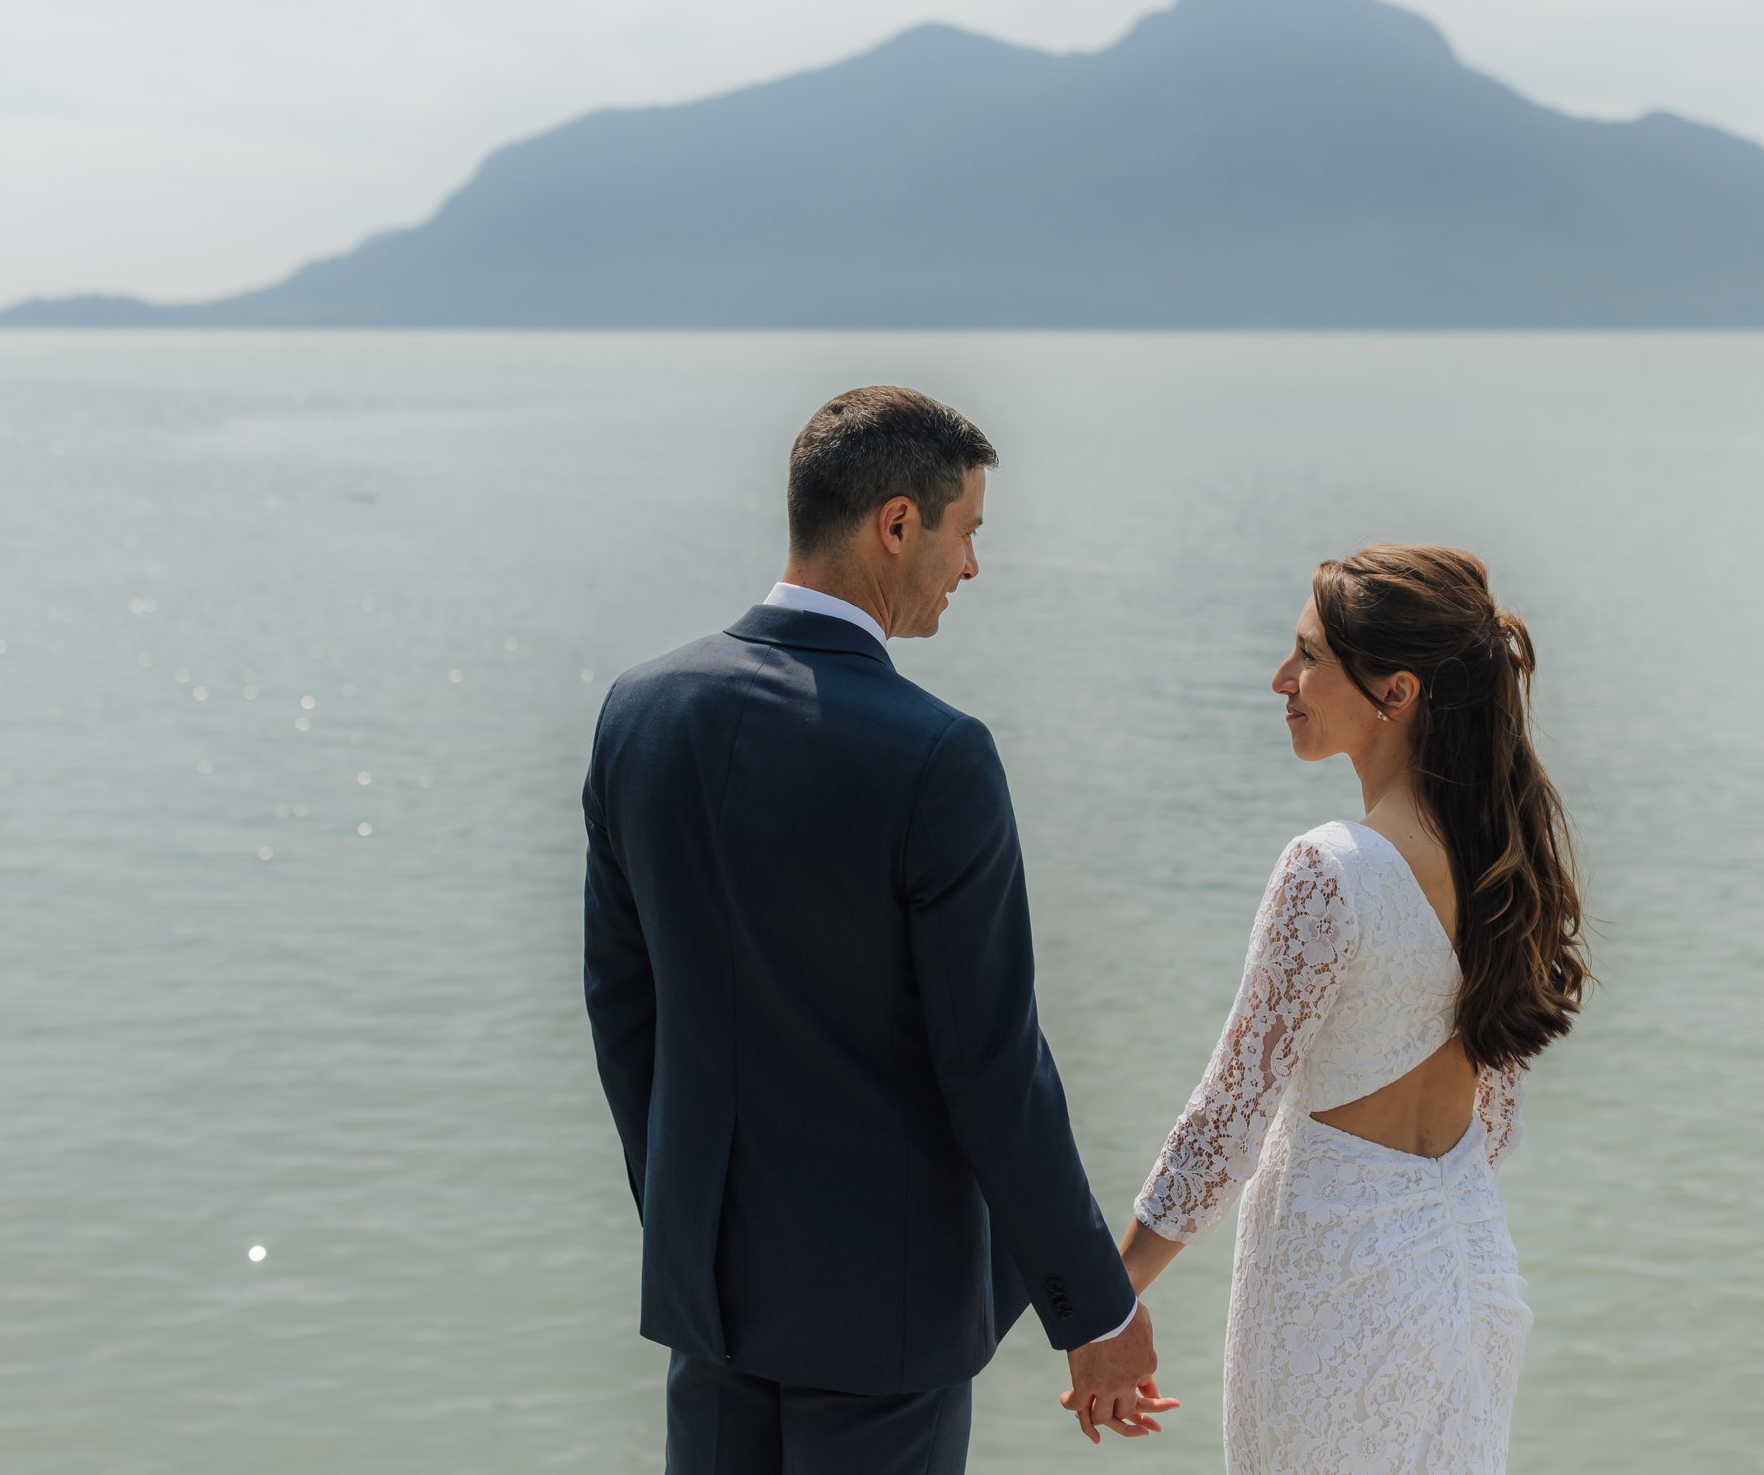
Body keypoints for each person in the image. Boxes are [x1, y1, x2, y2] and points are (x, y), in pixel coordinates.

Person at [581, 385, 1175, 1475]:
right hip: (880, 1318)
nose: (971, 568)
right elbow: (992, 1070)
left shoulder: (640, 711)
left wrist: (686, 1220)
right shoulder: (935, 756)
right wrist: (1092, 1312)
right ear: (897, 524)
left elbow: (624, 1008)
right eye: (968, 533)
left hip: (708, 1291)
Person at [1108, 545, 1589, 1474]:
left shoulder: (1331, 870)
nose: (1282, 679)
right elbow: (1496, 1121)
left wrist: (1110, 1294)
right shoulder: (1501, 862)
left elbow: (1228, 1117)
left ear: (1397, 692)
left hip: (1338, 1293)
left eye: (1310, 656)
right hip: (1468, 1274)